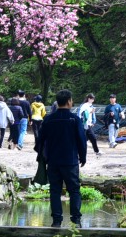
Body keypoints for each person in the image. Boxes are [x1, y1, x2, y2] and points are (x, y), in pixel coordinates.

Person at [35, 89, 87, 227]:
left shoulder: (49, 119)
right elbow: (82, 140)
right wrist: (83, 157)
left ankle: (56, 220)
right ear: (69, 101)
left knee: (55, 190)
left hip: (53, 161)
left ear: (57, 102)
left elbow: (40, 140)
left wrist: (41, 156)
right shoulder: (74, 119)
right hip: (70, 161)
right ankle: (76, 219)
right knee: (74, 190)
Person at [78, 93, 101, 158]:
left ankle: (96, 151)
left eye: (93, 99)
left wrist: (93, 121)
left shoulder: (91, 106)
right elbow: (82, 114)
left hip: (89, 124)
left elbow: (92, 115)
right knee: (84, 140)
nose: (92, 100)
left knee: (93, 138)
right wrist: (90, 112)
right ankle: (81, 154)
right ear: (88, 98)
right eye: (91, 99)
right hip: (84, 125)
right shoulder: (84, 105)